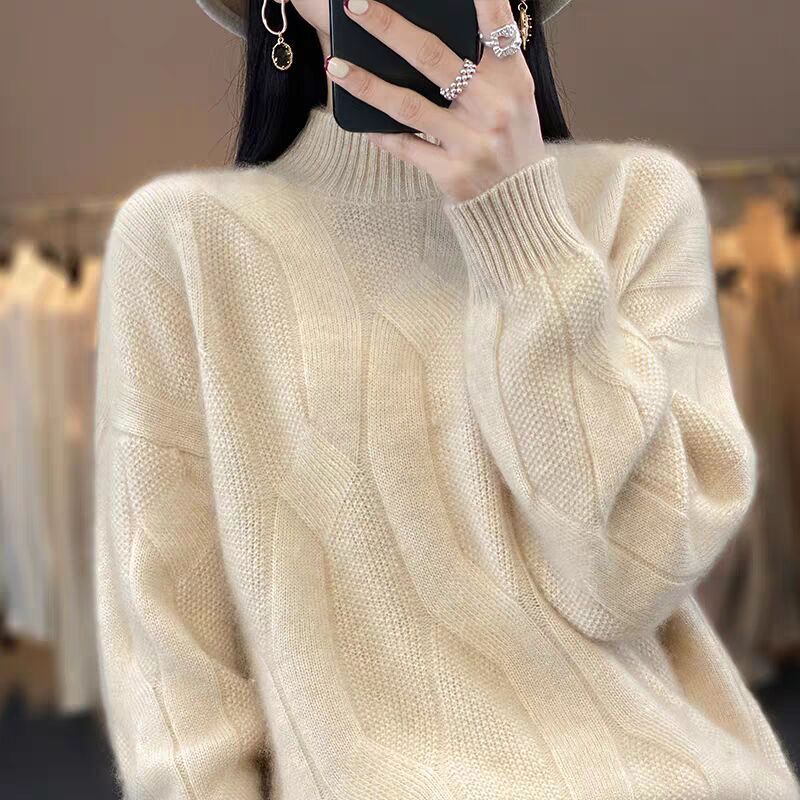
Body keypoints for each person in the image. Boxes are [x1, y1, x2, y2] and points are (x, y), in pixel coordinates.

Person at [92, 0, 800, 797]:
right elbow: (175, 673)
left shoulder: (635, 200)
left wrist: (520, 221)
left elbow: (629, 581)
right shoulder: (182, 242)